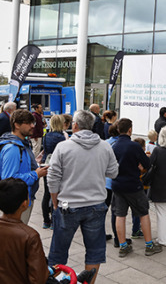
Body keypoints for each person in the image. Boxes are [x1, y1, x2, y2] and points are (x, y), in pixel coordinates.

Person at [47, 110, 118, 284]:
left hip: (67, 205)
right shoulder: (105, 146)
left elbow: (53, 177)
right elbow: (114, 172)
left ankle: (56, 281)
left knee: (58, 251)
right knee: (94, 250)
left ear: (75, 125)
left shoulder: (64, 147)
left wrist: (54, 200)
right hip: (96, 204)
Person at [110, 118, 158, 257]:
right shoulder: (134, 146)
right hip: (133, 185)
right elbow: (148, 165)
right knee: (143, 213)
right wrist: (140, 167)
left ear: (118, 129)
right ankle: (149, 246)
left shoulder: (113, 146)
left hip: (117, 185)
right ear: (130, 130)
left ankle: (123, 246)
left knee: (120, 215)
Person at [0, 109, 48, 224]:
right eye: (28, 123)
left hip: (23, 198)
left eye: (33, 123)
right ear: (17, 125)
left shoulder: (22, 143)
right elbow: (9, 179)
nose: (32, 126)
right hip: (17, 201)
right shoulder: (12, 149)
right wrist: (35, 174)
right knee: (15, 236)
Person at [40, 115, 66, 229]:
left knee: (47, 193)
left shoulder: (46, 135)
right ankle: (55, 219)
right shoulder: (61, 137)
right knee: (57, 194)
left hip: (46, 164)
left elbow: (45, 150)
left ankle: (46, 220)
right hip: (58, 166)